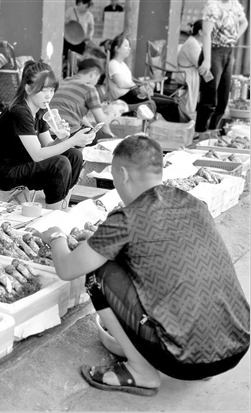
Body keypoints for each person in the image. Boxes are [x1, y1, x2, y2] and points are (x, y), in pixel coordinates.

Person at [36, 134, 250, 396]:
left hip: (181, 360)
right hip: (234, 348)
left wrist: (56, 237)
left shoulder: (127, 218)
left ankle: (140, 371)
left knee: (96, 271)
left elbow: (67, 269)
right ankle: (197, 355)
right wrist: (98, 242)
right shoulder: (195, 204)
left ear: (123, 174)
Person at [0, 61, 95, 211]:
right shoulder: (19, 112)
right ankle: (54, 214)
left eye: (52, 90)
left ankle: (61, 205)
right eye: (43, 90)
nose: (49, 95)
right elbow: (38, 155)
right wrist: (72, 141)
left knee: (74, 155)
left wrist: (62, 137)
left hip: (24, 164)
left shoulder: (39, 111)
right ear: (28, 89)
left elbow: (48, 145)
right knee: (59, 164)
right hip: (3, 172)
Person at [195, 0, 248, 137]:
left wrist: (233, 38)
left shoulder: (234, 4)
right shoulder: (213, 5)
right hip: (213, 53)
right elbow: (206, 34)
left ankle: (213, 132)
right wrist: (207, 60)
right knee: (209, 97)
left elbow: (244, 22)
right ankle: (200, 132)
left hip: (228, 52)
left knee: (223, 98)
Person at [108, 34, 189, 123]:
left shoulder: (122, 64)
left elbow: (131, 80)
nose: (129, 48)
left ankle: (188, 122)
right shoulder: (113, 64)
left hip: (134, 94)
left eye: (129, 46)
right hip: (128, 98)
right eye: (126, 46)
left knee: (173, 100)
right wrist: (138, 86)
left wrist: (144, 84)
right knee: (171, 104)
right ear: (117, 48)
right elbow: (121, 84)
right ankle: (184, 125)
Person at [50, 58, 116, 144]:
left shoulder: (62, 83)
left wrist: (91, 129)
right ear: (93, 74)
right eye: (98, 78)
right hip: (69, 134)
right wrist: (110, 137)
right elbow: (101, 120)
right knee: (108, 140)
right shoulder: (89, 88)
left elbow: (77, 114)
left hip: (49, 133)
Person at [174, 20, 206, 120]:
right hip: (187, 75)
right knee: (211, 84)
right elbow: (202, 66)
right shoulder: (193, 45)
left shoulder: (194, 42)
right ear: (201, 32)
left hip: (189, 73)